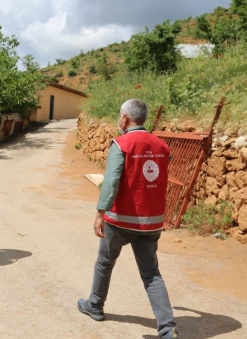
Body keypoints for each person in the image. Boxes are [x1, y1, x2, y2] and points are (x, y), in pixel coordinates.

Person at [77, 99, 178, 339]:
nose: (118, 121)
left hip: (120, 220)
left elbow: (111, 181)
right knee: (151, 274)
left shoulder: (121, 144)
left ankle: (95, 305)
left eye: (119, 117)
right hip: (151, 222)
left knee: (105, 262)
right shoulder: (162, 146)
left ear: (125, 119)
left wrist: (101, 212)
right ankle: (168, 329)